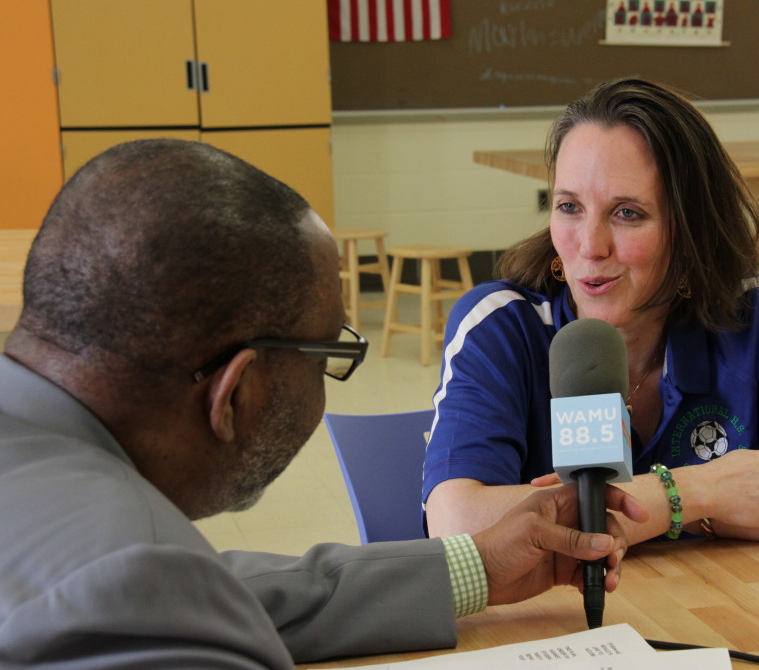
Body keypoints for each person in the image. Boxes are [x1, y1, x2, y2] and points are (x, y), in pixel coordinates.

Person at [0, 139, 647, 669]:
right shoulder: (124, 584)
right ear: (237, 392)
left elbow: (200, 587)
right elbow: (154, 592)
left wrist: (470, 567)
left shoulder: (87, 539)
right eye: (329, 356)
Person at [423, 78, 759, 546]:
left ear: (690, 233)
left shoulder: (755, 322)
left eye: (627, 214)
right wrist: (699, 493)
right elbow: (458, 523)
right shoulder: (499, 325)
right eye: (569, 207)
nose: (590, 246)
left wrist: (627, 509)